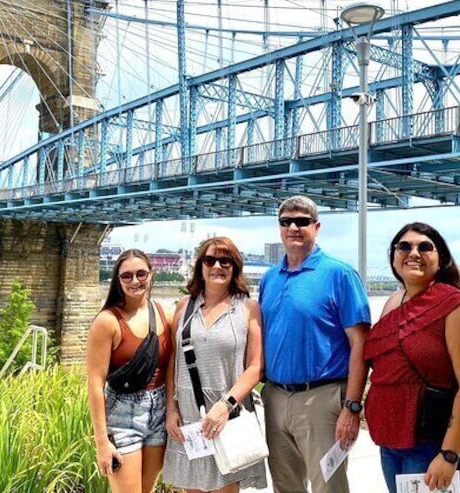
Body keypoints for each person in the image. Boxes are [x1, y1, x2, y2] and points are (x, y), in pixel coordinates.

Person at [364, 222, 460, 493]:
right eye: (404, 246)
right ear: (394, 256)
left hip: (434, 443)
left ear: (441, 258)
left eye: (425, 247)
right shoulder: (394, 301)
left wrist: (449, 454)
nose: (414, 253)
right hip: (393, 440)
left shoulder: (458, 307)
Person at [259, 195, 371, 493]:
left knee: (329, 487)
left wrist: (352, 406)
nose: (293, 227)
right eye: (286, 222)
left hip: (322, 399)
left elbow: (361, 344)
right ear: (279, 228)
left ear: (316, 227)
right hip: (275, 397)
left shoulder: (339, 274)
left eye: (302, 222)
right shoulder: (269, 279)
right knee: (285, 486)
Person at [162, 236, 267, 492]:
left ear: (235, 267)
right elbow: (174, 361)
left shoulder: (247, 308)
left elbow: (255, 367)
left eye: (225, 261)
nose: (217, 266)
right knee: (192, 487)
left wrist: (226, 405)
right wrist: (171, 409)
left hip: (227, 413)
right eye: (210, 260)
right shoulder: (185, 306)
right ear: (201, 266)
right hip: (189, 415)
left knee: (226, 486)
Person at [86, 249, 174, 493]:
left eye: (141, 273)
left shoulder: (164, 313)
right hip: (122, 415)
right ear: (118, 280)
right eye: (127, 276)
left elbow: (171, 369)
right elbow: (95, 384)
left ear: (151, 274)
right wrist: (102, 442)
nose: (135, 281)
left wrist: (171, 412)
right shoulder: (108, 322)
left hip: (158, 412)